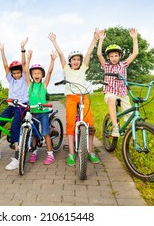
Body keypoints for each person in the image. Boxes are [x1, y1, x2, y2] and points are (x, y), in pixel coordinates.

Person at [49, 30, 99, 166]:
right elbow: (60, 54)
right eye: (73, 59)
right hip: (71, 98)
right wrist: (54, 41)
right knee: (70, 123)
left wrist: (94, 40)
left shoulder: (83, 68)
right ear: (70, 62)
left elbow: (88, 53)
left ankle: (90, 151)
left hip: (84, 97)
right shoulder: (66, 69)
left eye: (78, 59)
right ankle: (71, 153)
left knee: (90, 124)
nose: (76, 61)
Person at [0, 38, 30, 170]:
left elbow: (24, 64)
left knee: (15, 125)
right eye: (14, 73)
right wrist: (2, 51)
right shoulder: (11, 80)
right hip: (11, 105)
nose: (16, 75)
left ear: (21, 72)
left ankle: (17, 156)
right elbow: (5, 66)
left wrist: (22, 49)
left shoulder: (25, 79)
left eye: (18, 72)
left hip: (22, 106)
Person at [97, 28, 138, 137]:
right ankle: (115, 126)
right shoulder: (106, 66)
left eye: (116, 55)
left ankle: (129, 138)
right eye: (111, 56)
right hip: (111, 92)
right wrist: (101, 40)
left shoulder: (123, 65)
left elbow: (135, 53)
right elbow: (99, 55)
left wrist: (134, 38)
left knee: (130, 118)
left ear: (119, 56)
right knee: (111, 99)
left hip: (122, 94)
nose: (114, 58)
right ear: (108, 57)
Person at [24, 49, 58, 165]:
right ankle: (34, 153)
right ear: (32, 75)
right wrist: (28, 59)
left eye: (39, 73)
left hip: (43, 112)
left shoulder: (44, 85)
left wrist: (52, 60)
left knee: (45, 133)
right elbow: (25, 71)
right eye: (34, 73)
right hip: (33, 113)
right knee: (34, 134)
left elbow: (49, 73)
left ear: (42, 75)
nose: (36, 75)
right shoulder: (30, 85)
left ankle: (50, 154)